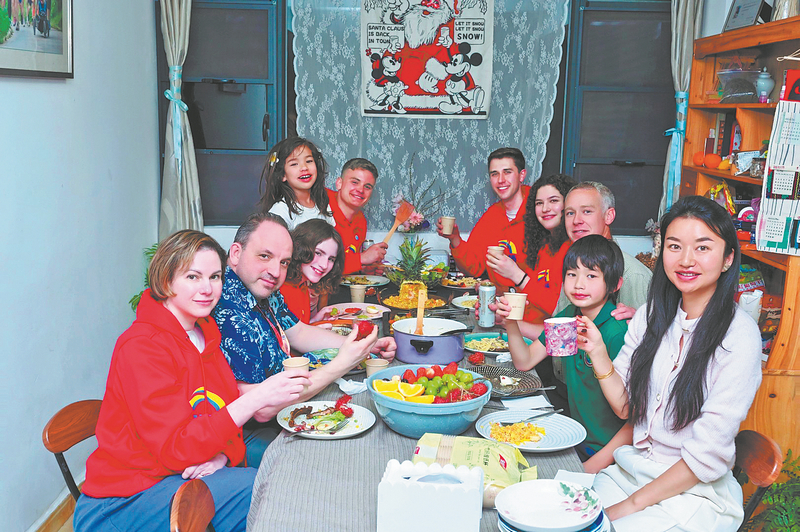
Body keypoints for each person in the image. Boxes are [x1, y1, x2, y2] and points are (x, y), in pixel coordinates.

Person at [73, 230, 311, 531]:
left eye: (215, 277)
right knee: (268, 488)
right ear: (166, 280)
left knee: (276, 475)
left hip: (176, 476)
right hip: (123, 500)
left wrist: (223, 456)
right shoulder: (141, 347)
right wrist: (256, 397)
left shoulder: (204, 335)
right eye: (192, 277)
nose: (207, 289)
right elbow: (176, 446)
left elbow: (221, 417)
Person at [583, 196, 762, 531]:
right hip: (631, 472)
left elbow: (704, 456)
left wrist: (628, 507)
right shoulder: (653, 315)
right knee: (558, 515)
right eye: (675, 246)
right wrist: (597, 352)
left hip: (694, 494)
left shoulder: (740, 337)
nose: (686, 260)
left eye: (703, 248)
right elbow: (626, 409)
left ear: (728, 259)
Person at [212, 212, 396, 465]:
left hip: (283, 402)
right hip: (248, 435)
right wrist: (341, 364)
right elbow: (261, 408)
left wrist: (365, 345)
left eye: (284, 262)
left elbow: (298, 332)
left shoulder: (259, 288)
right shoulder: (229, 309)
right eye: (264, 256)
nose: (275, 271)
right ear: (235, 253)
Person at [498, 235, 628, 458]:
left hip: (607, 453)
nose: (578, 284)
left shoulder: (618, 332)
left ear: (615, 284)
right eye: (571, 274)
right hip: (576, 438)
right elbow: (525, 361)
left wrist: (592, 466)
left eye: (591, 275)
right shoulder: (568, 318)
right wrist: (511, 323)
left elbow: (632, 419)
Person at [436, 147, 535, 318]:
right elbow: (474, 267)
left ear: (522, 175)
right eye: (494, 174)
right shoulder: (492, 215)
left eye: (507, 172)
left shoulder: (540, 211)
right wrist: (455, 239)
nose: (501, 180)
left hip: (532, 309)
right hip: (498, 307)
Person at [327, 158, 388, 274]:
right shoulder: (321, 204)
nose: (360, 190)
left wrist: (364, 268)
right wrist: (362, 258)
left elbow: (341, 266)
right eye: (355, 182)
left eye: (367, 187)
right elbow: (316, 264)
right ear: (339, 183)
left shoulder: (361, 221)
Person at [257, 137, 334, 230]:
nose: (304, 167)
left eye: (309, 161)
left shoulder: (322, 203)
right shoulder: (281, 211)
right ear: (282, 175)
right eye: (294, 164)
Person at [280, 219, 344, 323]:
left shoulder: (303, 286)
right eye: (318, 253)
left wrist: (316, 320)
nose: (324, 265)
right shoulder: (283, 289)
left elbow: (297, 330)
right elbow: (285, 338)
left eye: (331, 259)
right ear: (300, 248)